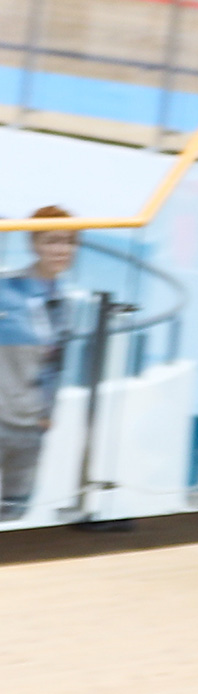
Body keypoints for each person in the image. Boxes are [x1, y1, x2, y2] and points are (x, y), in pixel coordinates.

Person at [0, 207, 82, 521]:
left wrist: (46, 413)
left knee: (14, 515)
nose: (62, 250)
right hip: (4, 416)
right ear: (34, 244)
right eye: (53, 241)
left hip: (29, 427)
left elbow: (54, 365)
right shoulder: (7, 290)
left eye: (70, 242)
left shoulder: (62, 303)